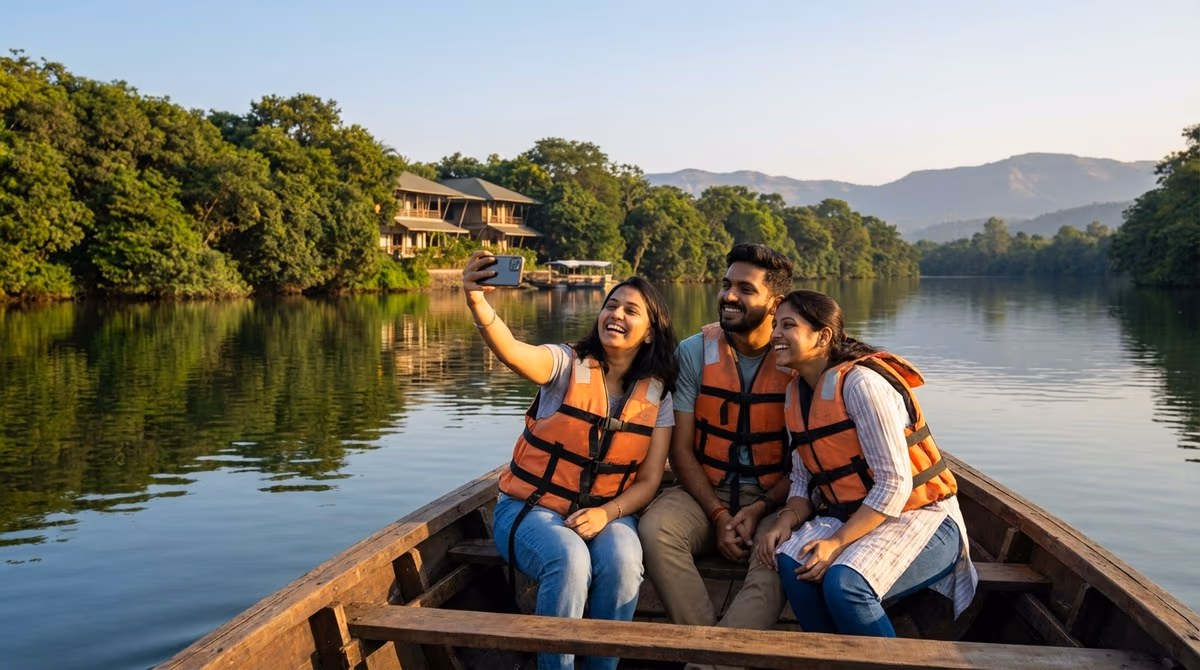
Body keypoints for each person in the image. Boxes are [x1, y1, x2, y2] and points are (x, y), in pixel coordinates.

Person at [463, 250, 677, 670]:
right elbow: (512, 352)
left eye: (630, 310)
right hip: (529, 511)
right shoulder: (565, 364)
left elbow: (650, 481)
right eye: (611, 305)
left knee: (623, 559)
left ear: (650, 333)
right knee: (569, 558)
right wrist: (477, 302)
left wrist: (606, 514)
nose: (615, 314)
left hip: (609, 513)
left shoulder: (658, 394)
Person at [756, 289, 978, 636]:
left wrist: (837, 542)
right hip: (853, 516)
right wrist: (785, 520)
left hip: (922, 518)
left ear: (823, 335)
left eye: (788, 325)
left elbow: (895, 483)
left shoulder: (862, 384)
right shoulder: (796, 393)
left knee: (845, 586)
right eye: (775, 326)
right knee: (793, 561)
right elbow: (802, 481)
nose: (775, 336)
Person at [638, 244, 796, 639]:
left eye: (745, 289)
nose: (728, 296)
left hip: (775, 500)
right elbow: (681, 450)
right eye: (726, 285)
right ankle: (714, 650)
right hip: (704, 492)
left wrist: (760, 509)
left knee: (779, 556)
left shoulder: (797, 358)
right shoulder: (694, 352)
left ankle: (706, 658)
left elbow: (807, 464)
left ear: (775, 304)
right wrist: (718, 516)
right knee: (655, 529)